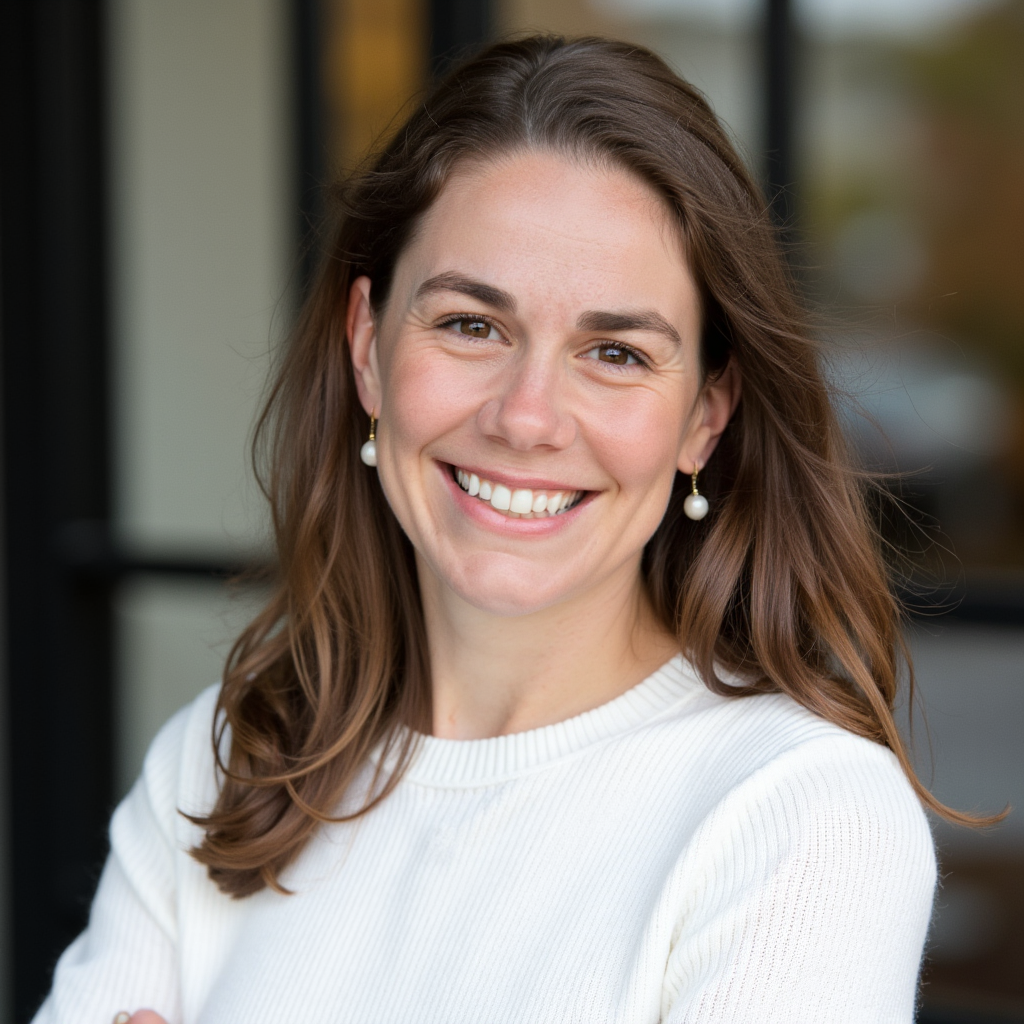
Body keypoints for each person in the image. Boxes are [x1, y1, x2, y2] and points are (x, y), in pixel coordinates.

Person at [36, 34, 971, 1024]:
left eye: (613, 351)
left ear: (706, 412)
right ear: (366, 347)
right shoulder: (228, 758)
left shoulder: (799, 814)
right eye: (471, 325)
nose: (526, 417)